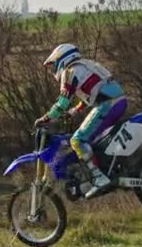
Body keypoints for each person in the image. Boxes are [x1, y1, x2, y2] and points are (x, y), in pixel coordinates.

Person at [35, 44, 128, 198]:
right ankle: (108, 170)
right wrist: (74, 111)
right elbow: (90, 94)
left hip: (108, 104)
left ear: (62, 59)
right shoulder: (86, 65)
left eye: (55, 64)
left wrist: (45, 118)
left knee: (77, 140)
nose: (55, 69)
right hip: (118, 101)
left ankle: (99, 177)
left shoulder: (70, 71)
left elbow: (62, 103)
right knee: (95, 140)